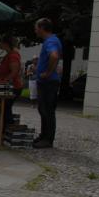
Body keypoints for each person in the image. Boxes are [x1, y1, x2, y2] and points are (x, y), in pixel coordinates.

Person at [33, 18, 61, 148]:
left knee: (47, 110)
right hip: (46, 81)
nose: (35, 30)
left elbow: (54, 56)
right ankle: (44, 136)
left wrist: (48, 73)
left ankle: (48, 139)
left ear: (42, 28)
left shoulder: (51, 41)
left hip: (48, 82)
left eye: (36, 27)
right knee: (43, 109)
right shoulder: (50, 41)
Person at [0, 36, 23, 128]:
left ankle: (8, 129)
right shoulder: (9, 54)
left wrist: (4, 81)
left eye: (1, 42)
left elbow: (14, 72)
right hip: (8, 86)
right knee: (4, 108)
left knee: (5, 109)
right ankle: (4, 130)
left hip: (13, 87)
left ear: (6, 44)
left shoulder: (13, 55)